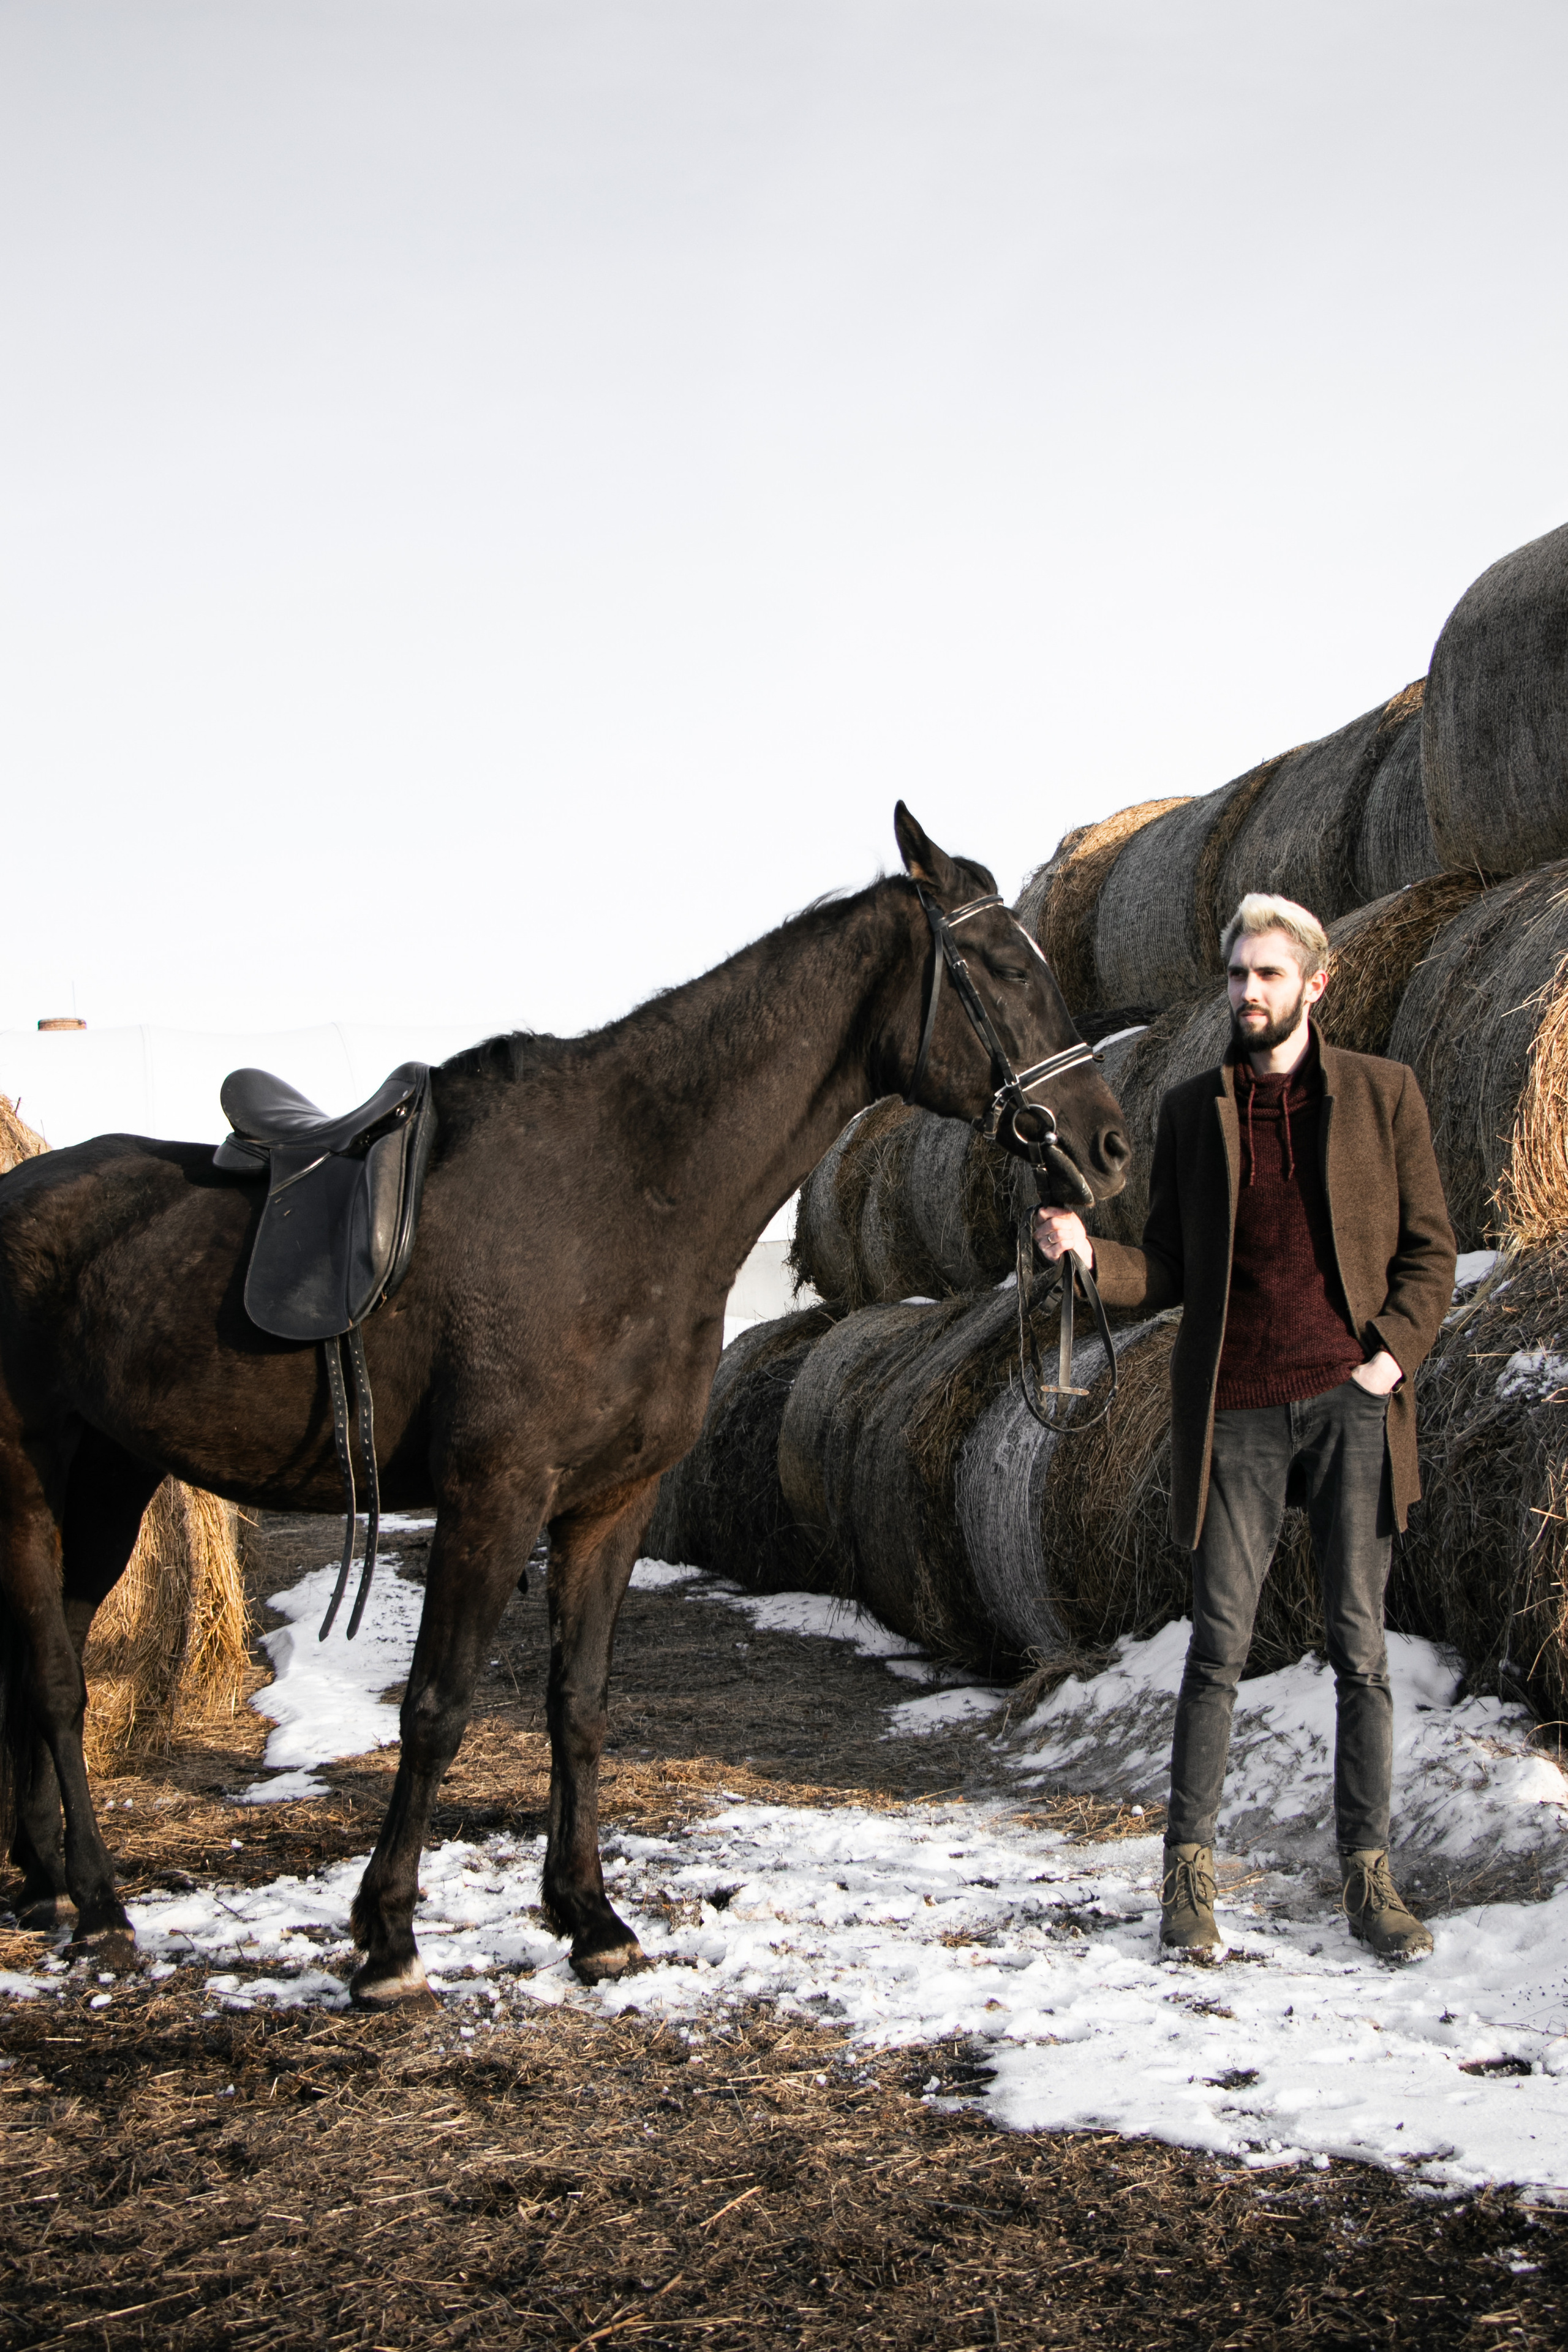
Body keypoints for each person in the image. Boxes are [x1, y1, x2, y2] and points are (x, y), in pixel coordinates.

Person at [1036, 893, 1455, 1962]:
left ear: (1316, 984)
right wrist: (1091, 1253)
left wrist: (1389, 1359)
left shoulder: (1382, 1095)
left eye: (1267, 976)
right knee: (1215, 1652)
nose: (1248, 994)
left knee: (1360, 1654)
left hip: (1352, 1406)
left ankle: (1369, 1880)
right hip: (1238, 1415)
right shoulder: (1193, 1110)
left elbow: (1431, 1251)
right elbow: (1169, 1271)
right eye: (1236, 976)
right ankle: (1188, 1881)